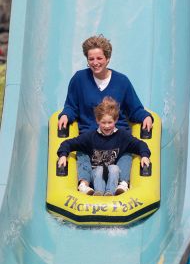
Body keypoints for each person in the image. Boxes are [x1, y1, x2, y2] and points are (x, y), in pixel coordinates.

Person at [58, 34, 153, 195]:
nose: (95, 63)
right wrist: (66, 114)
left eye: (99, 58)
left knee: (125, 154)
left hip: (116, 141)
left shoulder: (122, 81)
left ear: (107, 58)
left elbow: (134, 109)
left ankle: (122, 183)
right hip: (92, 139)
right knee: (82, 153)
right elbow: (71, 106)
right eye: (91, 59)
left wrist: (145, 116)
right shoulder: (79, 79)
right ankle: (85, 183)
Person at [57, 97, 151, 196]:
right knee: (82, 153)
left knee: (126, 154)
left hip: (115, 174)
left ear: (116, 120)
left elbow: (140, 144)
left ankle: (122, 185)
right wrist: (63, 155)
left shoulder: (122, 136)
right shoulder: (90, 136)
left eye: (110, 122)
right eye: (103, 122)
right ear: (97, 120)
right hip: (95, 175)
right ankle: (86, 186)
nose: (107, 126)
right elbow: (68, 143)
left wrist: (144, 155)